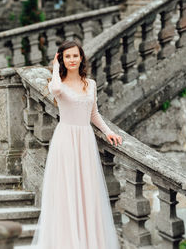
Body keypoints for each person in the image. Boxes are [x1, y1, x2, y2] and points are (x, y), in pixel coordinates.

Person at [30, 40, 122, 249]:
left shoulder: (90, 84)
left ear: (81, 58)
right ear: (62, 59)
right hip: (66, 140)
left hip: (86, 140)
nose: (72, 60)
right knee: (67, 190)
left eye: (75, 56)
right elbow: (54, 90)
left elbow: (93, 113)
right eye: (67, 56)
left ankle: (88, 241)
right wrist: (54, 67)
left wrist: (108, 132)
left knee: (87, 190)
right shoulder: (58, 83)